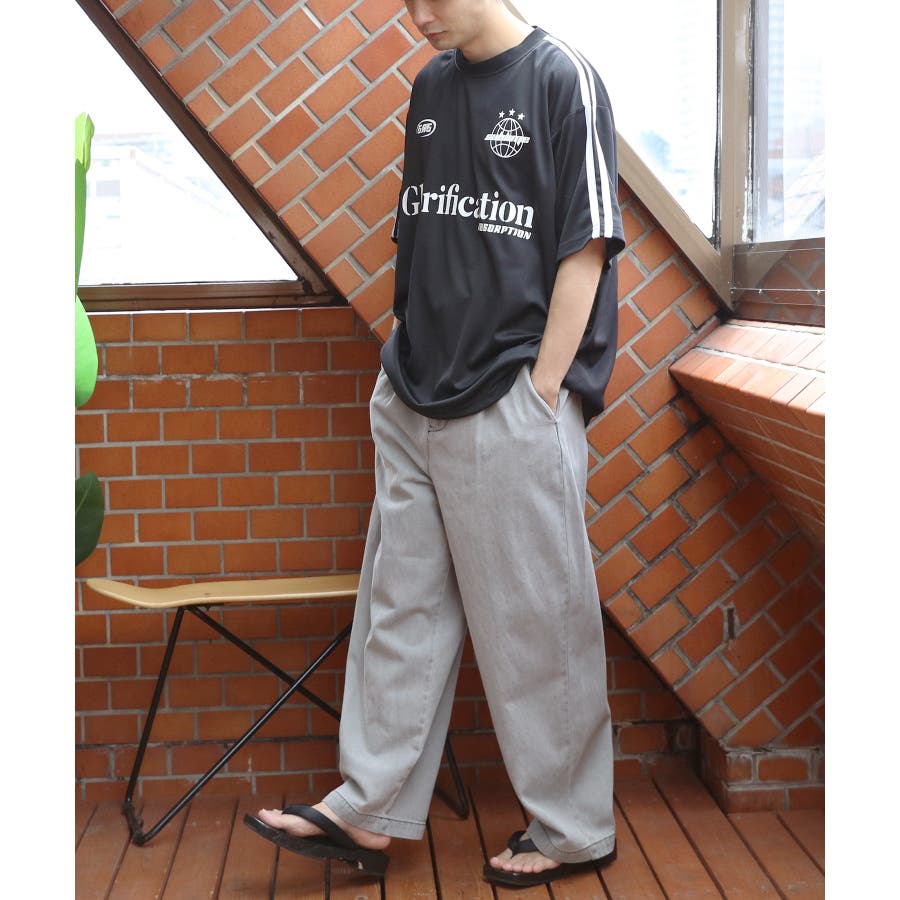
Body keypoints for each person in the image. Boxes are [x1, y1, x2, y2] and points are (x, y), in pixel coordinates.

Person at [244, 0, 625, 887]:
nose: (416, 14)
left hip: (510, 399)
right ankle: (369, 810)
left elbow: (588, 246)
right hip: (413, 391)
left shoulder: (561, 78)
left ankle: (575, 830)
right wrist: (401, 357)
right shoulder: (431, 84)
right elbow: (420, 232)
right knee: (399, 611)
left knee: (538, 627)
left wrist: (541, 392)